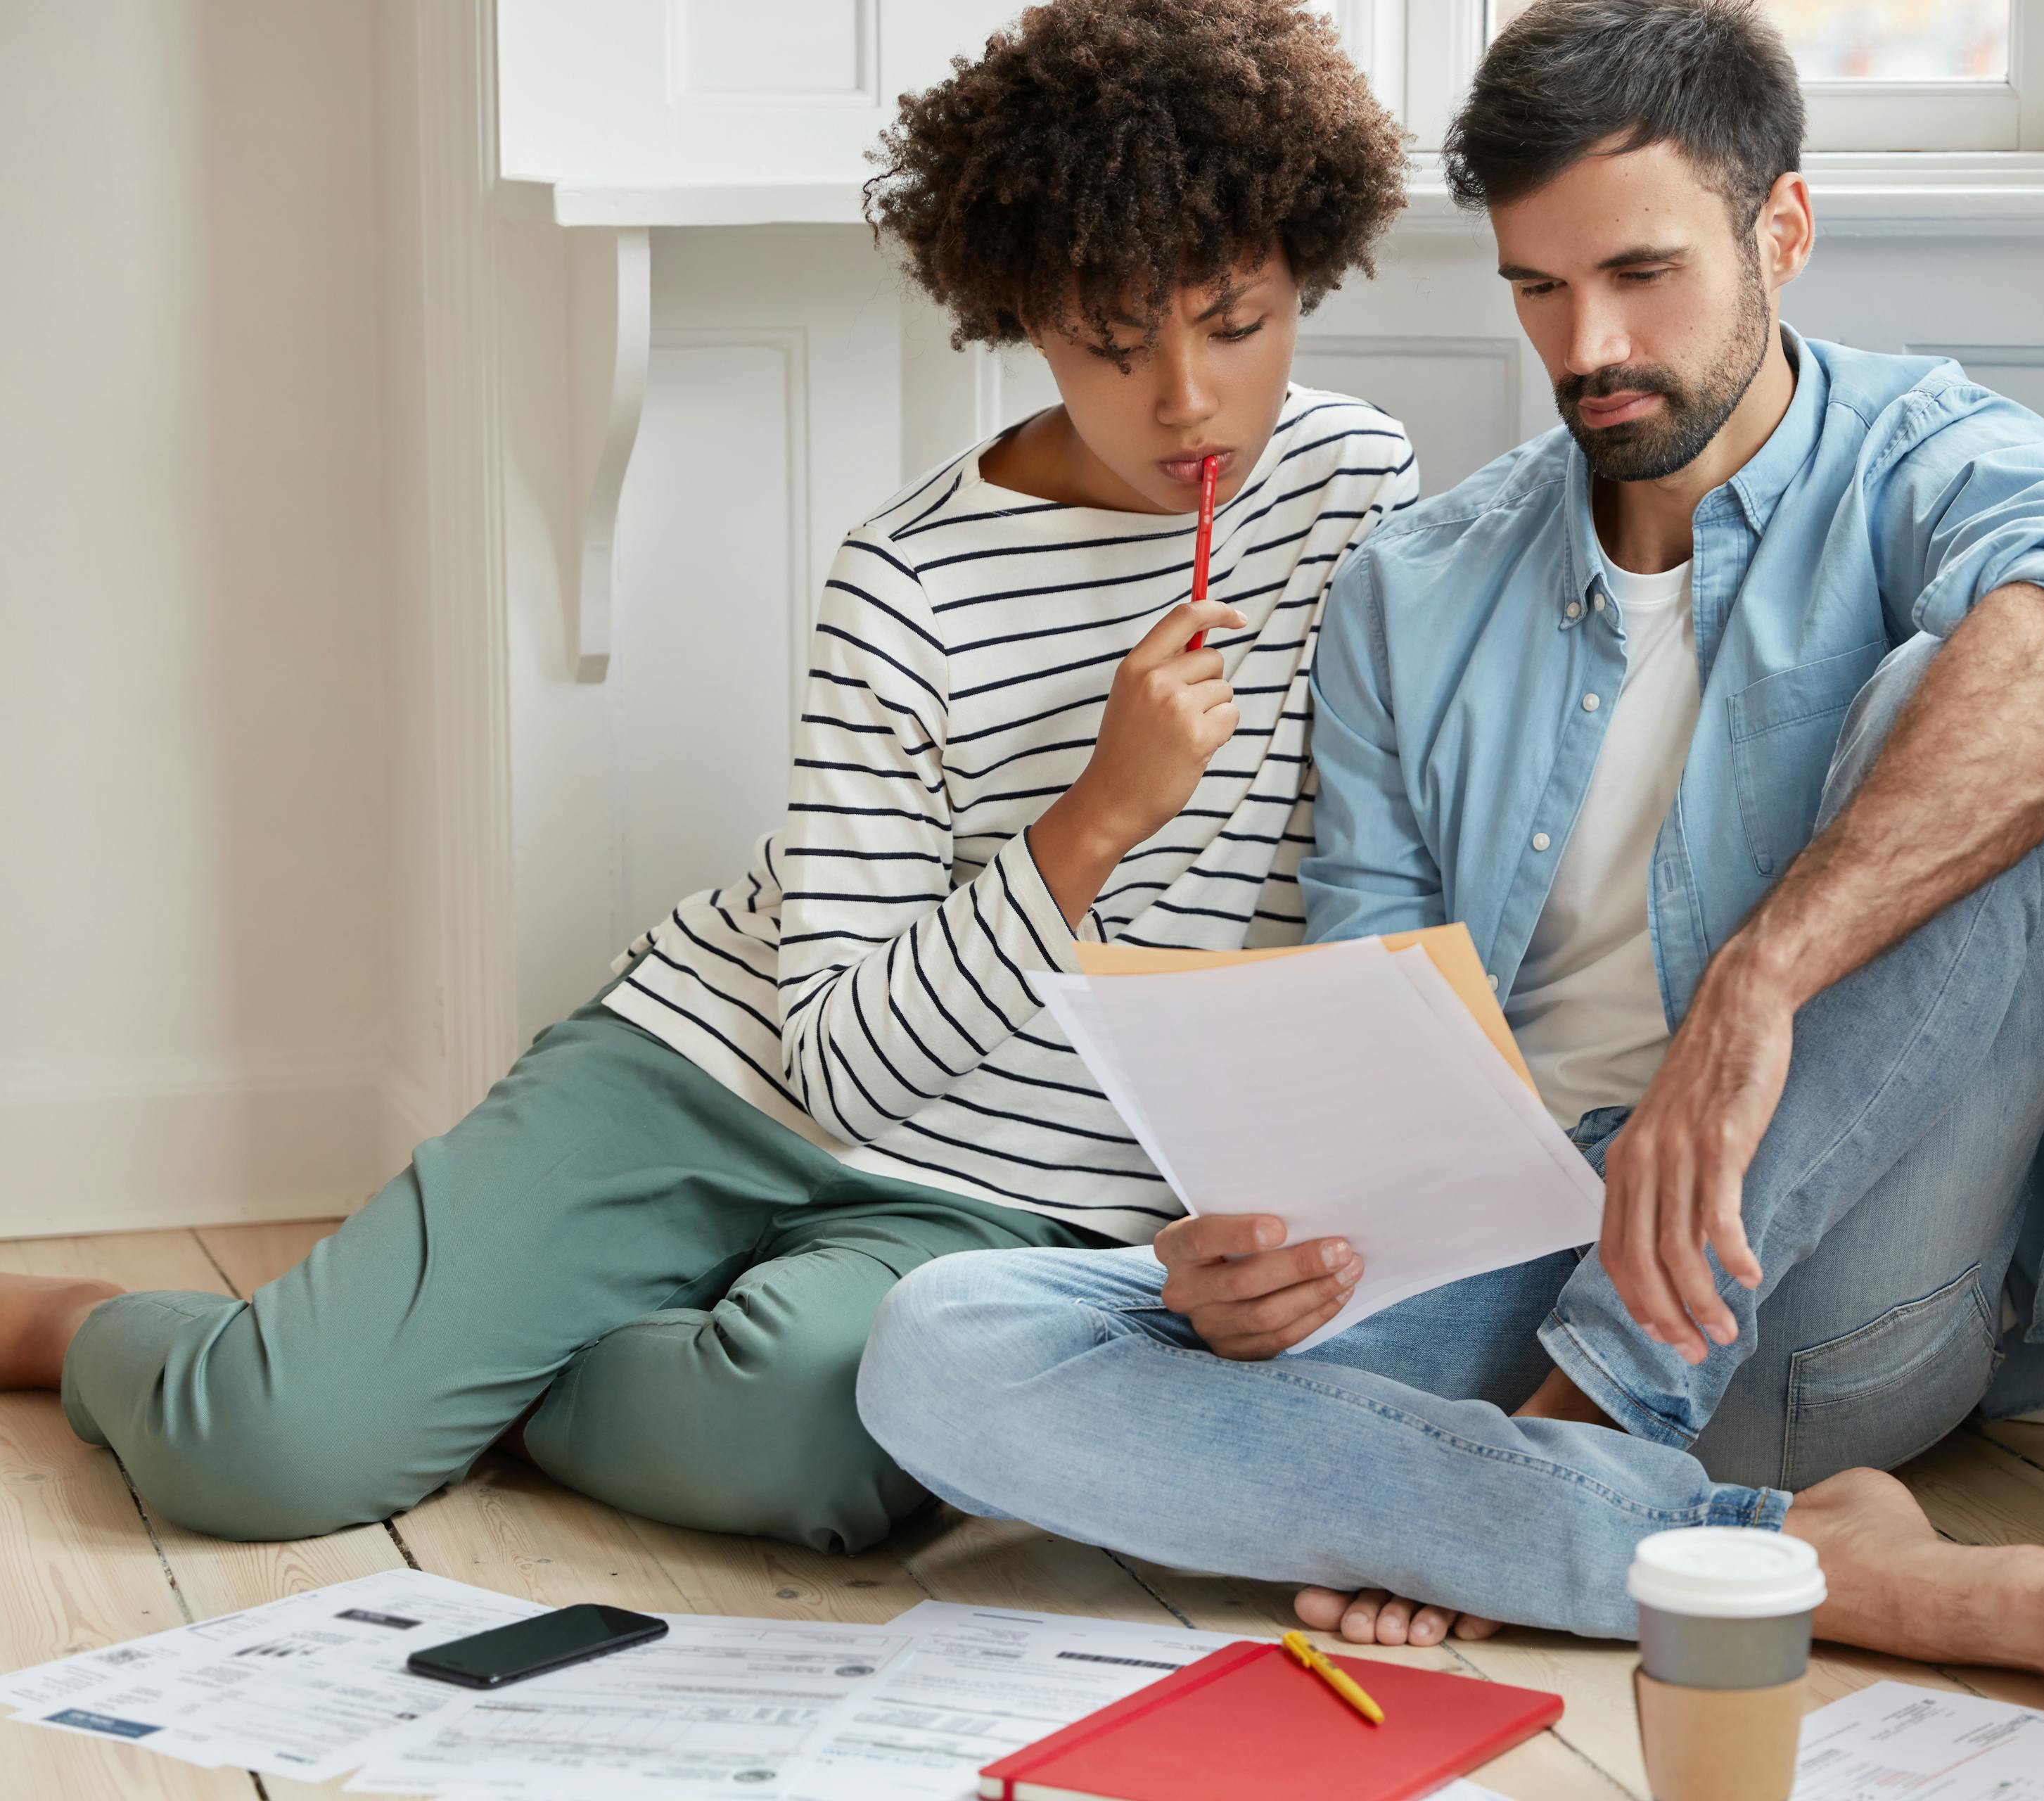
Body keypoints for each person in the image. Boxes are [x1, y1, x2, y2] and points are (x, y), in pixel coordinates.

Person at [858, 0, 2044, 1713]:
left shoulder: (1923, 457)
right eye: (1539, 289)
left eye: (1643, 274)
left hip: (1816, 1284)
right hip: (1498, 1266)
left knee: (1990, 697)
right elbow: (1366, 1032)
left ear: (1780, 230)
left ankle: (1563, 1450)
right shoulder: (1414, 584)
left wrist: (1755, 985)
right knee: (944, 1348)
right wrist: (1267, 1250)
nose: (1590, 347)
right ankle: (1767, 1548)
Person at [0, 0, 1413, 1555]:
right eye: (1111, 341)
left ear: (1309, 277)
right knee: (259, 1453)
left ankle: (471, 1367)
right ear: (1021, 310)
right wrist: (1091, 823)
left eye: (1237, 322)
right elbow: (838, 1063)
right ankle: (90, 1325)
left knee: (841, 1458)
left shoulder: (1361, 489)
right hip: (716, 1075)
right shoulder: (909, 580)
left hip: (1000, 1196)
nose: (1187, 402)